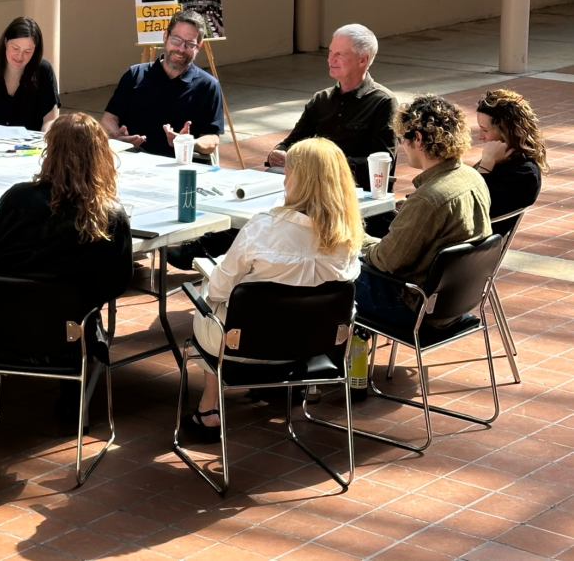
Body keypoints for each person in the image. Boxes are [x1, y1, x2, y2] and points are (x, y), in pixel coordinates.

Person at [180, 138, 364, 443]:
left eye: (287, 170)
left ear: (296, 178)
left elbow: (219, 290)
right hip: (313, 348)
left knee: (209, 300)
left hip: (247, 346)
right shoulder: (349, 238)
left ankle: (209, 408)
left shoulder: (263, 227)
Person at [0, 112, 133, 420]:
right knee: (77, 306)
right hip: (67, 336)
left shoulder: (16, 198)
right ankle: (73, 399)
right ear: (101, 155)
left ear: (51, 152)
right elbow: (117, 282)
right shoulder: (109, 216)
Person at [357, 94, 490, 330]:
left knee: (328, 272)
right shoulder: (474, 178)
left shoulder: (429, 199)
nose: (402, 146)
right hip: (455, 303)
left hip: (417, 308)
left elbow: (385, 261)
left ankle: (327, 360)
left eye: (402, 139)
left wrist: (354, 236)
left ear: (417, 139)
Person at [267, 24, 397, 191]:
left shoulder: (383, 102)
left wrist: (323, 165)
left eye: (339, 54)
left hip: (353, 191)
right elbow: (293, 142)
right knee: (273, 174)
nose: (330, 59)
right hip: (315, 185)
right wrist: (279, 153)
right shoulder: (321, 99)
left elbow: (381, 162)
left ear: (363, 59)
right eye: (330, 52)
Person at [102, 10, 223, 159]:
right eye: (176, 40)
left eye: (189, 44)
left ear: (198, 46)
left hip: (180, 162)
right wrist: (116, 136)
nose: (181, 49)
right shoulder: (135, 75)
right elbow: (109, 119)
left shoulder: (208, 85)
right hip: (132, 158)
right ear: (165, 36)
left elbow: (212, 138)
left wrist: (188, 142)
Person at [0, 17, 60, 132]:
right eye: (15, 48)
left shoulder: (44, 71)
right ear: (5, 42)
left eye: (27, 51)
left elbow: (50, 120)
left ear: (35, 50)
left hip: (31, 147)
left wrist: (45, 141)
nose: (20, 56)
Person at [474, 89, 547, 220]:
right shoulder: (499, 159)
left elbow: (473, 207)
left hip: (472, 238)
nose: (480, 136)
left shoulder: (524, 173)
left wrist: (485, 166)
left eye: (485, 130)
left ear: (508, 132)